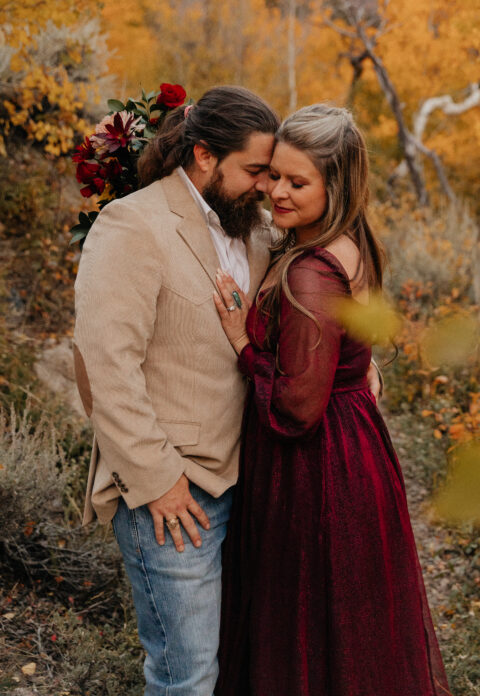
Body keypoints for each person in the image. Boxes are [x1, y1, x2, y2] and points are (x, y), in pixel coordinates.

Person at [213, 104, 451, 696]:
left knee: (309, 633)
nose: (277, 193)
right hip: (354, 449)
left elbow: (297, 407)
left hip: (315, 472)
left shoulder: (310, 275)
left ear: (335, 185)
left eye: (298, 183)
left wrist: (244, 340)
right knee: (347, 636)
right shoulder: (350, 242)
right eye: (274, 175)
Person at [72, 85, 281, 696]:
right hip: (174, 497)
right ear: (205, 156)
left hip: (251, 483)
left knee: (238, 667)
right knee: (186, 678)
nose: (265, 187)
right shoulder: (132, 224)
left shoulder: (259, 230)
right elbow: (106, 367)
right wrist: (159, 480)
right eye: (255, 171)